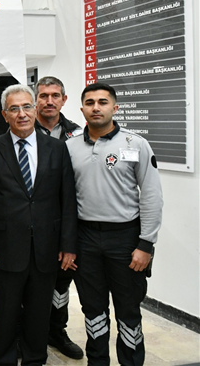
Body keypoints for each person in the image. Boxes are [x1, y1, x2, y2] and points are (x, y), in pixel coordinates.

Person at [0, 84, 77, 366]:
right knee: (7, 314)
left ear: (34, 109)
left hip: (47, 249)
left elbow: (67, 199)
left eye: (26, 107)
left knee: (38, 315)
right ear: (4, 114)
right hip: (5, 249)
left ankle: (35, 360)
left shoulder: (57, 148)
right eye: (14, 108)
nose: (21, 114)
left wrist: (68, 245)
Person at [67, 83, 163, 366]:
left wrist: (146, 244)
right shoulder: (69, 147)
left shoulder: (136, 144)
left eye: (103, 102)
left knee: (128, 310)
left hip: (125, 239)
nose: (96, 107)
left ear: (115, 108)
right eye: (90, 102)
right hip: (85, 238)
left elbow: (151, 195)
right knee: (93, 309)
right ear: (82, 109)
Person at [34, 76, 84, 360]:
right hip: (33, 222)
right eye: (43, 96)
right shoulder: (21, 129)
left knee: (62, 282)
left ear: (64, 100)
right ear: (36, 100)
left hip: (67, 220)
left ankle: (57, 331)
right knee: (30, 283)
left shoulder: (77, 134)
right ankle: (28, 334)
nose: (49, 101)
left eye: (55, 96)